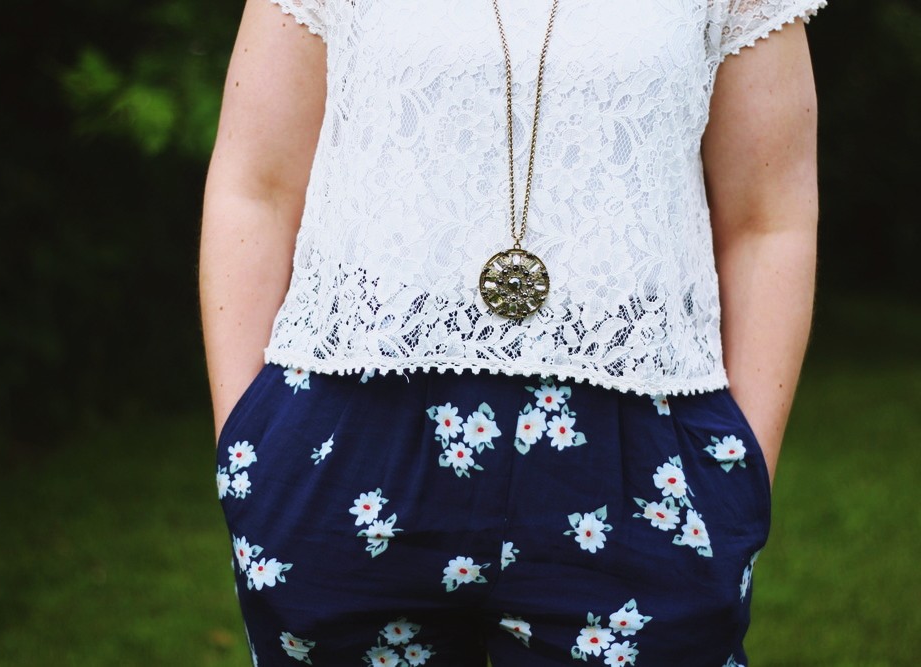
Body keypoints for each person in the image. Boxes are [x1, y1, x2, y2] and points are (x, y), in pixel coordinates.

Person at [199, 0, 823, 664]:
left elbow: (769, 219)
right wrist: (251, 445)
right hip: (346, 454)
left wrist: (737, 475)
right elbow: (258, 187)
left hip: (641, 466)